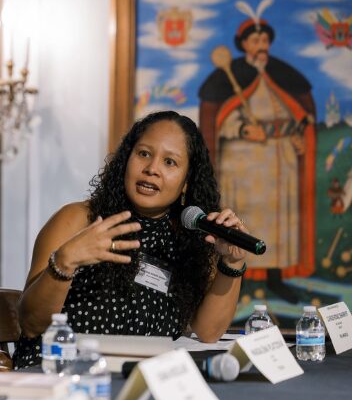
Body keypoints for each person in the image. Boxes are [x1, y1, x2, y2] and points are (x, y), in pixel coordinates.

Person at [14, 111, 248, 369]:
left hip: (139, 383)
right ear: (127, 159)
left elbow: (208, 332)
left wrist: (231, 263)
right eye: (144, 154)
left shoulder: (192, 240)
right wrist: (65, 262)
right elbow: (31, 324)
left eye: (170, 162)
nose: (152, 169)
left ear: (186, 181)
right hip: (63, 375)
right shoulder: (78, 220)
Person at [198, 0, 316, 302]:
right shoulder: (228, 75)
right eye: (255, 39)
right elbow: (219, 120)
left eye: (264, 39)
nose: (261, 44)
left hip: (280, 162)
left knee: (279, 221)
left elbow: (297, 114)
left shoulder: (282, 74)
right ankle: (241, 278)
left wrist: (297, 136)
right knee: (243, 218)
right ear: (244, 44)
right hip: (243, 165)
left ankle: (276, 279)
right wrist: (242, 128)